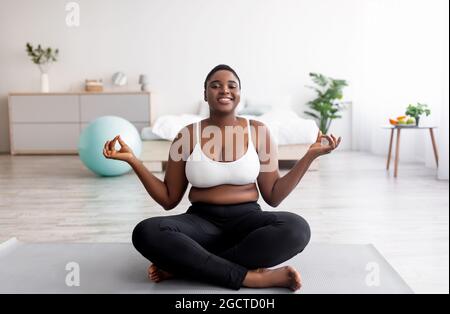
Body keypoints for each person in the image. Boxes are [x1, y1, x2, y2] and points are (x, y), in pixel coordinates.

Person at [103, 64, 341, 291]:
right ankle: (251, 277)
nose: (225, 90)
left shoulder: (259, 132)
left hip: (247, 223)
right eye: (215, 85)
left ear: (239, 93)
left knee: (297, 229)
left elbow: (274, 196)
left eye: (232, 85)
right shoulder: (186, 136)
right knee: (146, 232)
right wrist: (134, 161)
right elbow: (169, 199)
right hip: (200, 224)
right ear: (205, 94)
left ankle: (185, 268)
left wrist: (309, 156)